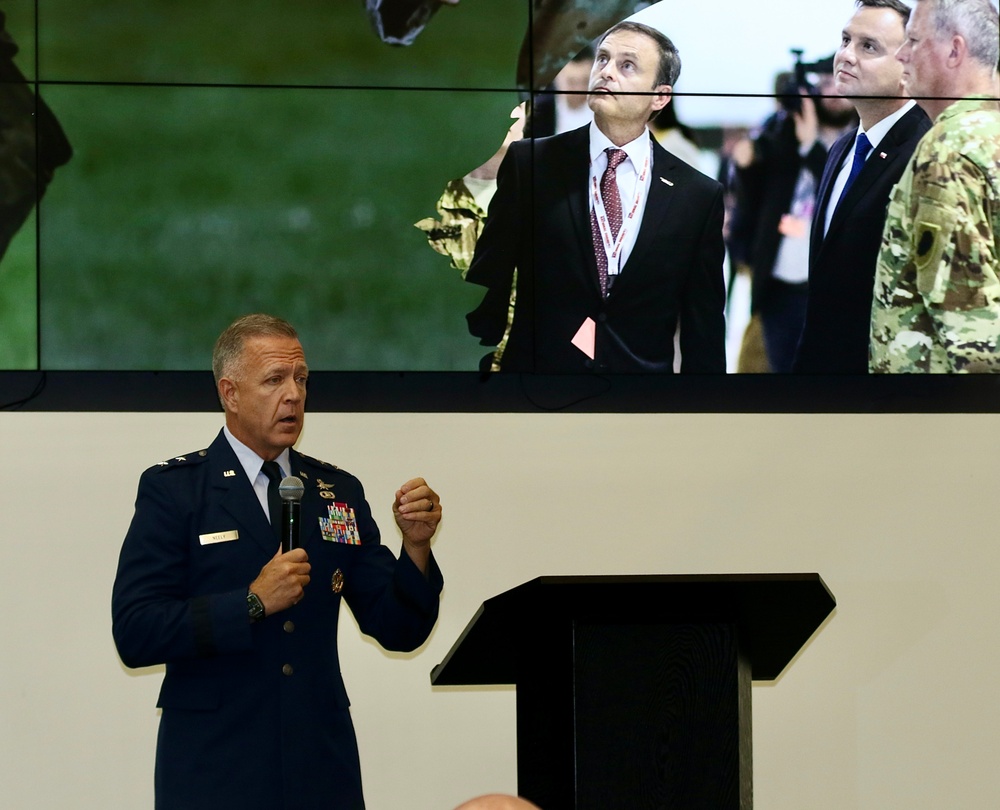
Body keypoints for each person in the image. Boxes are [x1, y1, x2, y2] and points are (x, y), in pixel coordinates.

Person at [111, 314, 444, 809]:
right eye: (274, 380)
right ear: (230, 394)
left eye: (301, 379)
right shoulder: (176, 490)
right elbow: (136, 632)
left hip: (319, 764)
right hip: (215, 766)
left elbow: (398, 629)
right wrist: (250, 603)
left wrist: (415, 548)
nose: (293, 395)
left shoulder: (336, 492)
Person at [464, 21, 726, 373]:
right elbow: (489, 279)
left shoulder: (697, 196)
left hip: (640, 399)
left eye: (626, 65)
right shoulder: (531, 164)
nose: (605, 72)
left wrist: (705, 412)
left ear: (660, 96)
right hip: (538, 386)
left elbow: (703, 325)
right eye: (602, 59)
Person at [793, 0, 931, 374]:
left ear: (908, 67)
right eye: (845, 40)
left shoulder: (926, 151)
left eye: (868, 46)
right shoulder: (842, 147)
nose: (845, 56)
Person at [870, 0, 1000, 372]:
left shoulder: (947, 150)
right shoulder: (990, 132)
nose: (901, 54)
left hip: (940, 410)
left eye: (913, 40)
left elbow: (971, 327)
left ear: (954, 50)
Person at [732, 63, 857, 373]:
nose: (833, 93)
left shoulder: (861, 139)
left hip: (833, 288)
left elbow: (843, 197)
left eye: (839, 84)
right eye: (824, 84)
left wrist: (811, 146)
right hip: (781, 286)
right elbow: (753, 198)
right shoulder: (783, 134)